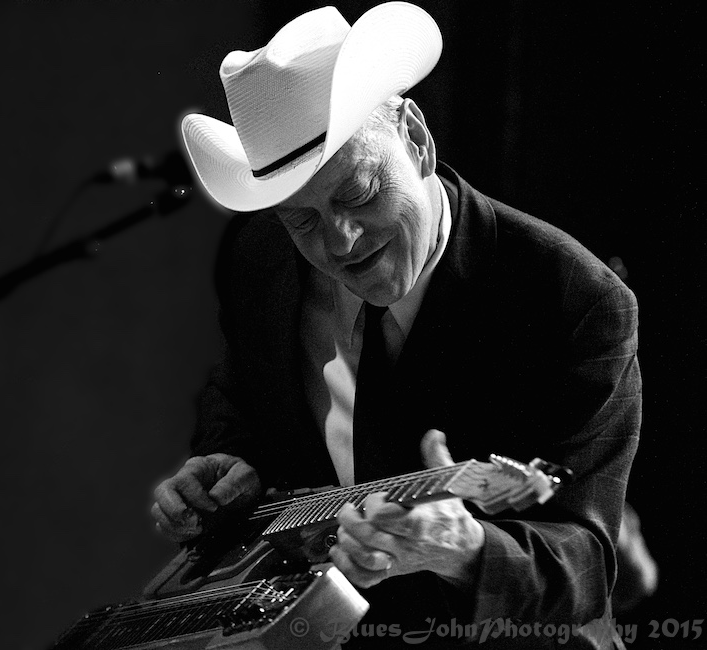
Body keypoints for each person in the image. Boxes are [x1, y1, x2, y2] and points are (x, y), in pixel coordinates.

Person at [151, 3, 640, 648]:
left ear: (415, 138)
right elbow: (237, 390)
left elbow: (585, 568)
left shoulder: (573, 299)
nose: (340, 240)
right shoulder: (258, 256)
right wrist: (227, 461)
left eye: (359, 194)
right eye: (303, 220)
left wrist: (468, 549)